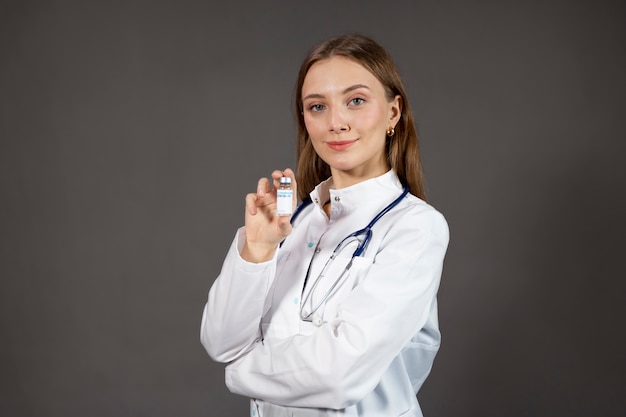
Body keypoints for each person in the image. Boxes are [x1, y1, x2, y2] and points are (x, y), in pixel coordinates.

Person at [200, 33, 449, 417]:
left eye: (356, 101)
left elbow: (338, 375)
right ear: (304, 119)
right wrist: (258, 250)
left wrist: (239, 372)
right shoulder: (290, 222)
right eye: (317, 106)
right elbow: (219, 341)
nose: (335, 122)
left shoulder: (416, 228)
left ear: (393, 113)